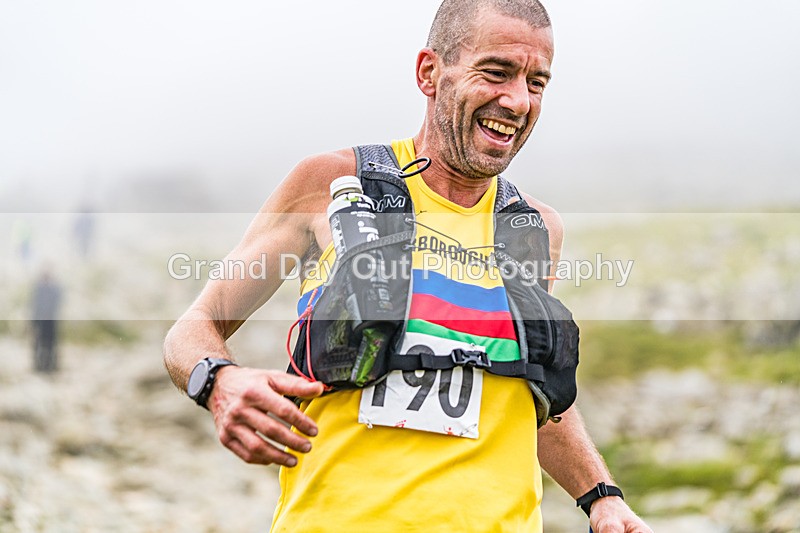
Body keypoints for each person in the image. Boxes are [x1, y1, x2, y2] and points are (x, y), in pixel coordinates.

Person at [164, 1, 653, 531]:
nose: (517, 100)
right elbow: (193, 329)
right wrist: (219, 382)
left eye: (537, 82)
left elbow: (530, 392)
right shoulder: (331, 183)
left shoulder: (533, 227)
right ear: (430, 72)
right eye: (497, 72)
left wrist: (602, 496)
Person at [31, 268, 62, 373]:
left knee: (50, 345)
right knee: (39, 344)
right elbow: (35, 305)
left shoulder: (53, 289)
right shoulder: (39, 289)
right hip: (41, 321)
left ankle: (50, 366)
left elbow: (56, 304)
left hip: (50, 321)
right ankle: (39, 366)